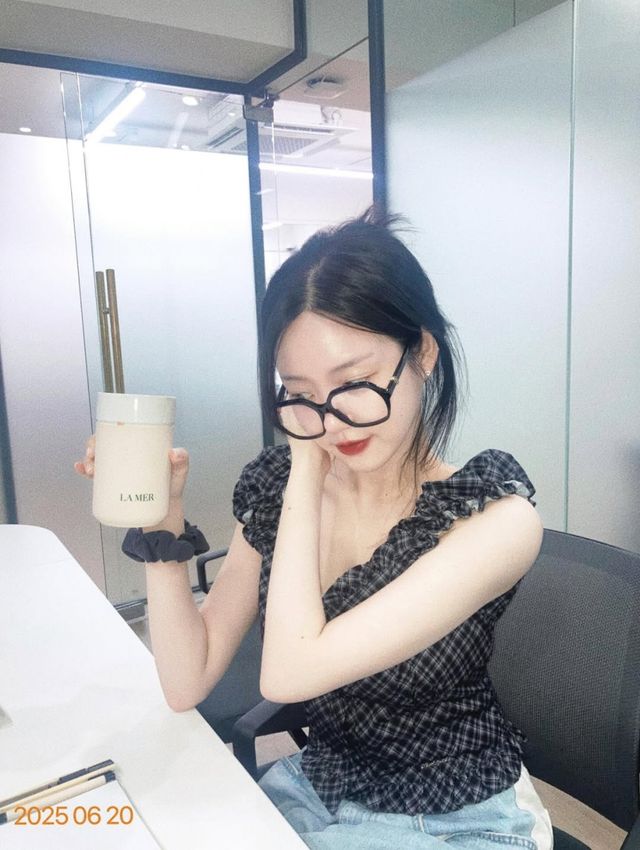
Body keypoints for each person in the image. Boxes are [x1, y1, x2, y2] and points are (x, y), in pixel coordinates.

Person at [76, 208, 553, 849]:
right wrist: (161, 525)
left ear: (423, 353)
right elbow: (186, 681)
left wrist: (306, 464)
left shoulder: (493, 519)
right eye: (299, 390)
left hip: (456, 816)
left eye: (354, 382)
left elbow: (288, 675)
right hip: (320, 788)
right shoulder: (279, 490)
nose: (331, 419)